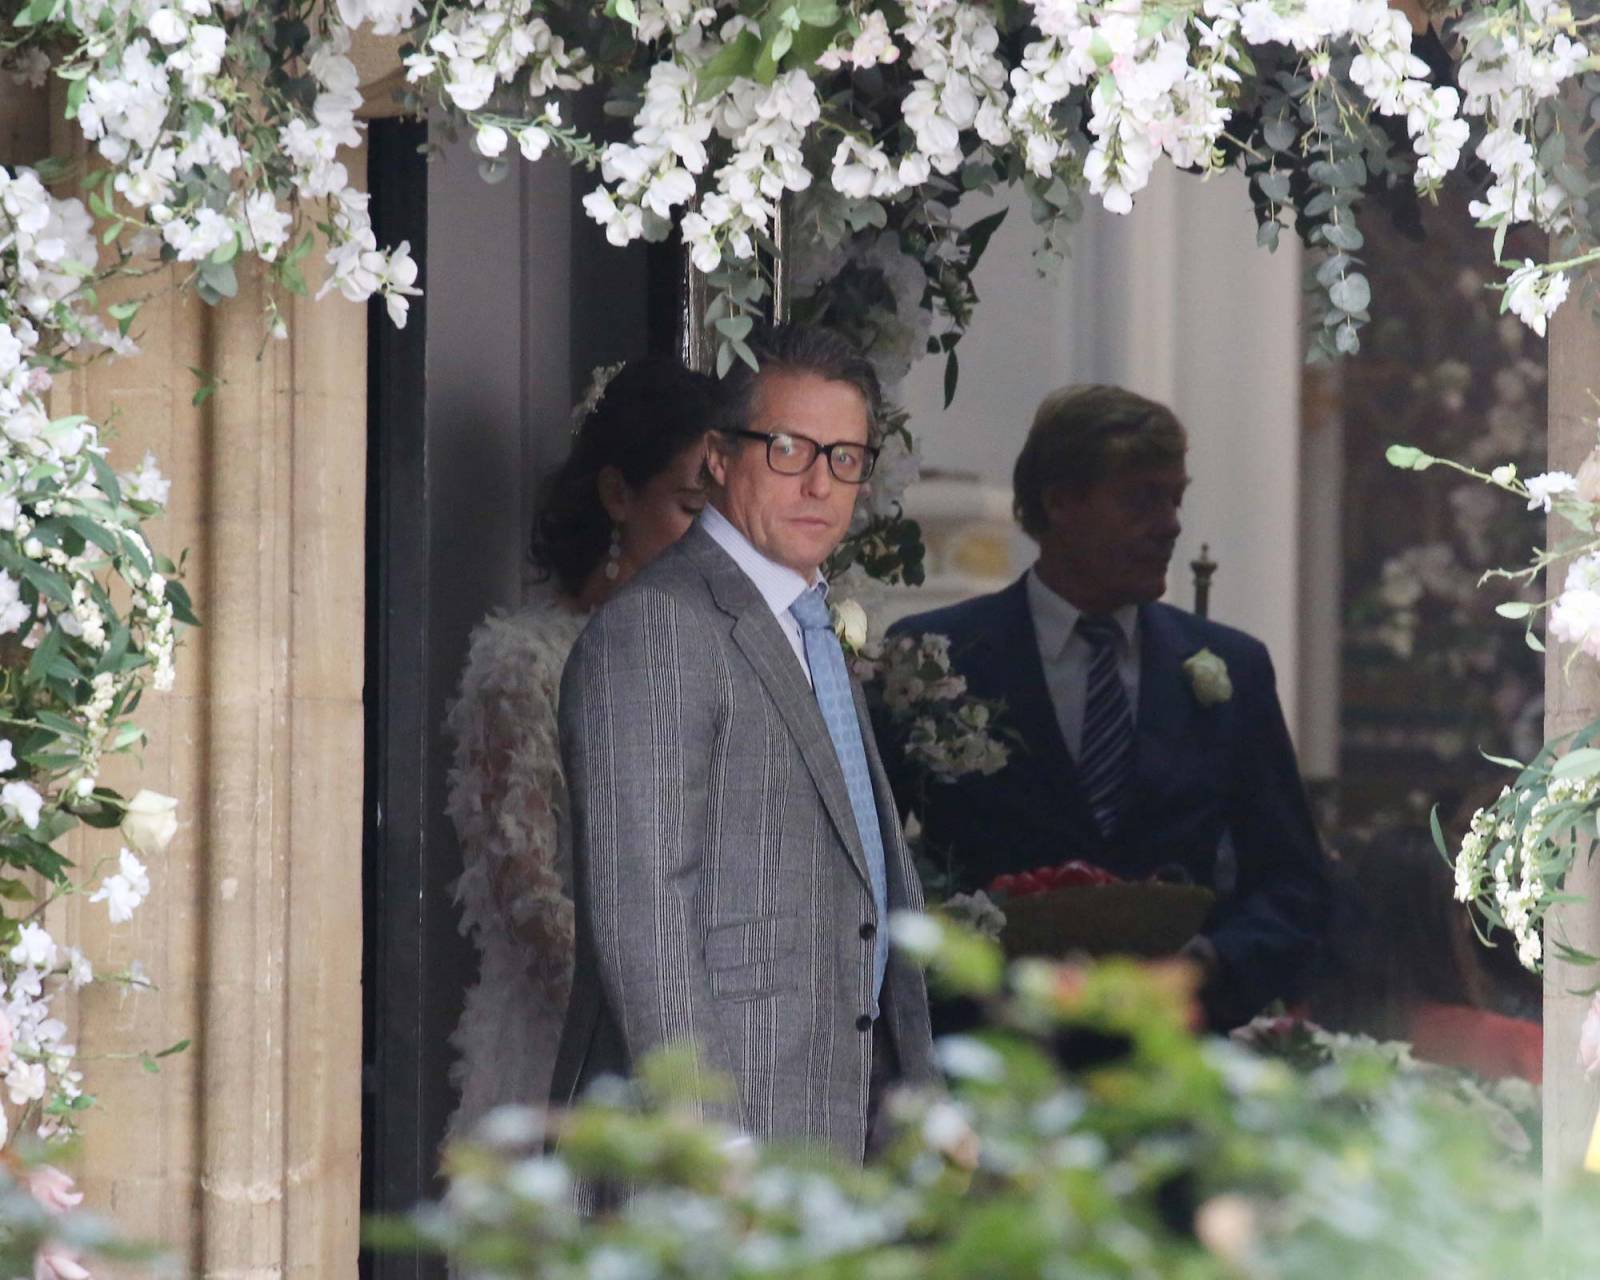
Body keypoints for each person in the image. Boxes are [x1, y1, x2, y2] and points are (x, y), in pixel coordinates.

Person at [550, 325, 937, 1159]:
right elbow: (641, 912)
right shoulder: (658, 626)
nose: (819, 483)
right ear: (718, 457)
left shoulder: (805, 620)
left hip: (840, 1125)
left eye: (845, 458)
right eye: (790, 448)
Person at [882, 384, 1330, 1028]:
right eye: (1143, 498)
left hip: (1168, 1060)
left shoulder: (1232, 669)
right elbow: (870, 873)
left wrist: (1203, 968)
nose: (1172, 523)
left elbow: (1295, 887)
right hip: (991, 1045)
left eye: (1175, 498)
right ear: (1061, 501)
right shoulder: (937, 658)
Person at [442, 358, 715, 1147]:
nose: (708, 540)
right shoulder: (525, 663)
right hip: (566, 1048)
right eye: (690, 506)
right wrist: (647, 1029)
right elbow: (522, 890)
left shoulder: (704, 654)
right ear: (618, 494)